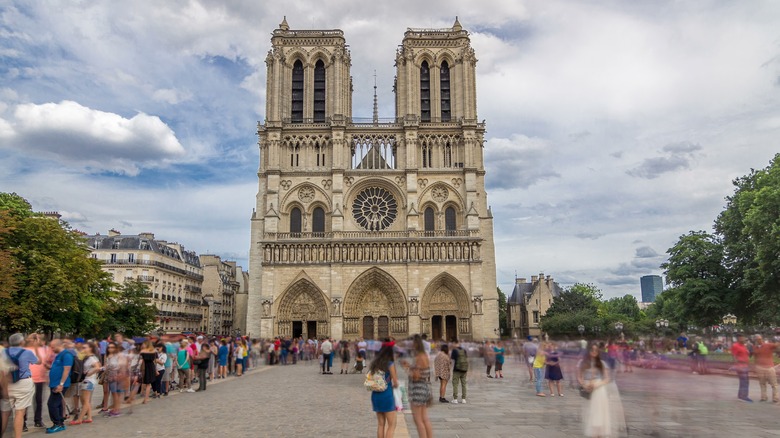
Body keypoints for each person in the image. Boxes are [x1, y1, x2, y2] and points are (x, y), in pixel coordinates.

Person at [578, 343, 626, 437]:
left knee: (599, 411)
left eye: (596, 350)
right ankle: (593, 432)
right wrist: (584, 385)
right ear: (588, 351)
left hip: (599, 389)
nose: (594, 352)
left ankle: (600, 432)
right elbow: (580, 377)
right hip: (588, 388)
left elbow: (607, 379)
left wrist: (597, 384)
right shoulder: (583, 363)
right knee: (590, 411)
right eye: (592, 350)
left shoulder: (602, 363)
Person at [3, 333, 41, 438]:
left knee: (5, 413)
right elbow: (39, 362)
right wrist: (36, 346)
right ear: (21, 342)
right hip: (23, 383)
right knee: (19, 413)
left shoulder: (3, 352)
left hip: (6, 384)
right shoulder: (27, 353)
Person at [402, 334, 433, 438]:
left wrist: (407, 368)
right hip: (424, 388)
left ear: (415, 344)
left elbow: (416, 376)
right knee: (425, 419)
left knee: (418, 420)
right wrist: (411, 366)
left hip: (417, 390)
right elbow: (423, 372)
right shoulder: (425, 355)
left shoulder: (419, 357)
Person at [369, 343, 399, 438]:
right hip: (387, 395)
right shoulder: (390, 364)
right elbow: (395, 382)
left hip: (376, 395)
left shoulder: (374, 364)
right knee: (392, 424)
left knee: (381, 424)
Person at [46, 339, 74, 434]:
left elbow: (67, 370)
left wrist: (61, 384)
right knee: (56, 404)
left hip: (60, 384)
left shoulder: (66, 355)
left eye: (53, 347)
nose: (52, 349)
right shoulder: (58, 355)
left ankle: (57, 424)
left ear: (59, 345)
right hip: (55, 383)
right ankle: (60, 423)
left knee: (52, 404)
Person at [71, 342, 100, 425]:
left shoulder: (92, 358)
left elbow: (97, 368)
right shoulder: (86, 357)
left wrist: (88, 374)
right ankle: (89, 417)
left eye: (85, 347)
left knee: (85, 401)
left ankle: (80, 419)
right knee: (85, 401)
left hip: (88, 381)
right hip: (85, 380)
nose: (83, 349)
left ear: (90, 348)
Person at [24, 333, 48, 430]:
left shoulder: (43, 349)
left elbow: (43, 361)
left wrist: (37, 348)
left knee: (38, 401)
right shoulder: (24, 350)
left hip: (40, 378)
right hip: (28, 378)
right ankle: (23, 422)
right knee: (25, 402)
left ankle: (38, 420)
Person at [103, 342, 126, 417]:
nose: (110, 349)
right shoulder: (107, 355)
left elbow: (121, 365)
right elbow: (105, 365)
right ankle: (115, 408)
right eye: (109, 347)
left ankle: (117, 409)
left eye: (112, 347)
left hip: (115, 374)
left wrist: (119, 374)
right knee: (112, 392)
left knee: (115, 392)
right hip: (108, 374)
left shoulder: (118, 356)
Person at [752, 335, 778, 403]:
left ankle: (775, 398)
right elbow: (755, 358)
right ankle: (764, 397)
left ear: (762, 339)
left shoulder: (768, 345)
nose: (759, 340)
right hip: (760, 368)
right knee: (762, 383)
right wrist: (755, 367)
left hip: (769, 367)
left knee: (774, 384)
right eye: (757, 339)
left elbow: (776, 345)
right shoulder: (755, 348)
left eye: (760, 339)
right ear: (755, 341)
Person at [731, 333, 752, 402]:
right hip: (741, 366)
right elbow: (734, 356)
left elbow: (747, 355)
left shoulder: (743, 346)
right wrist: (737, 365)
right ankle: (743, 396)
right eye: (742, 338)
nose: (744, 339)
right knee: (744, 381)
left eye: (744, 337)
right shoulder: (735, 346)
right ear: (739, 338)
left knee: (745, 381)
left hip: (745, 366)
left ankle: (741, 396)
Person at [450, 339, 468, 404]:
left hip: (456, 370)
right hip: (464, 369)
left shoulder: (454, 350)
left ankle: (455, 399)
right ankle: (463, 399)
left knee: (455, 384)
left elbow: (452, 361)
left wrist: (450, 369)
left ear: (454, 343)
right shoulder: (464, 350)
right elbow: (466, 359)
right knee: (464, 384)